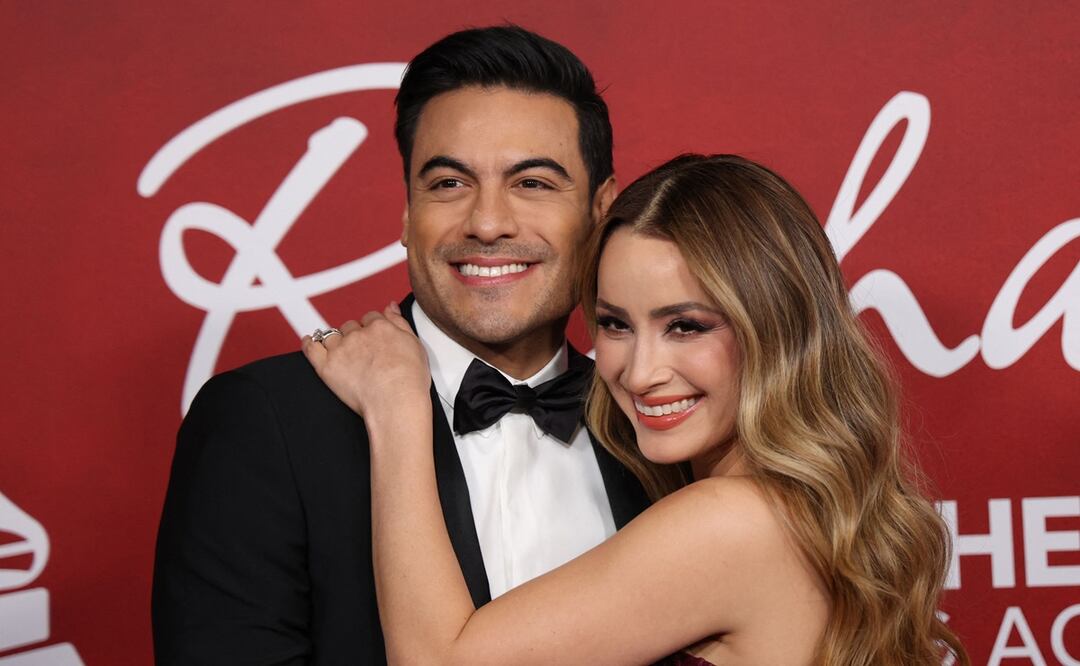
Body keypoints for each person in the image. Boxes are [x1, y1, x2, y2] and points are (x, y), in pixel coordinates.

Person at [304, 154, 970, 665]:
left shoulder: (733, 521)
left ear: (777, 326)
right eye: (617, 325)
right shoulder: (793, 508)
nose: (639, 371)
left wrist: (396, 407)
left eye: (685, 326)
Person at [151, 26, 648, 664]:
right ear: (408, 215)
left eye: (533, 184)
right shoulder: (264, 422)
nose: (488, 223)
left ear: (601, 212)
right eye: (448, 184)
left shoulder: (654, 424)